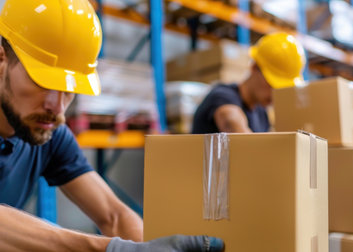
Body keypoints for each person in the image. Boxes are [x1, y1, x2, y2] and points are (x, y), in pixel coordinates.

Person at [0, 0, 223, 251]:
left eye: (69, 90)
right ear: (2, 59)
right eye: (42, 82)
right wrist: (110, 248)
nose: (57, 107)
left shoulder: (49, 131)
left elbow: (113, 216)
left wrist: (148, 246)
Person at [192, 32, 305, 133]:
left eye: (280, 88)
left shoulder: (261, 113)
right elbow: (233, 125)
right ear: (254, 67)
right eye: (272, 84)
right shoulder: (222, 96)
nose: (274, 94)